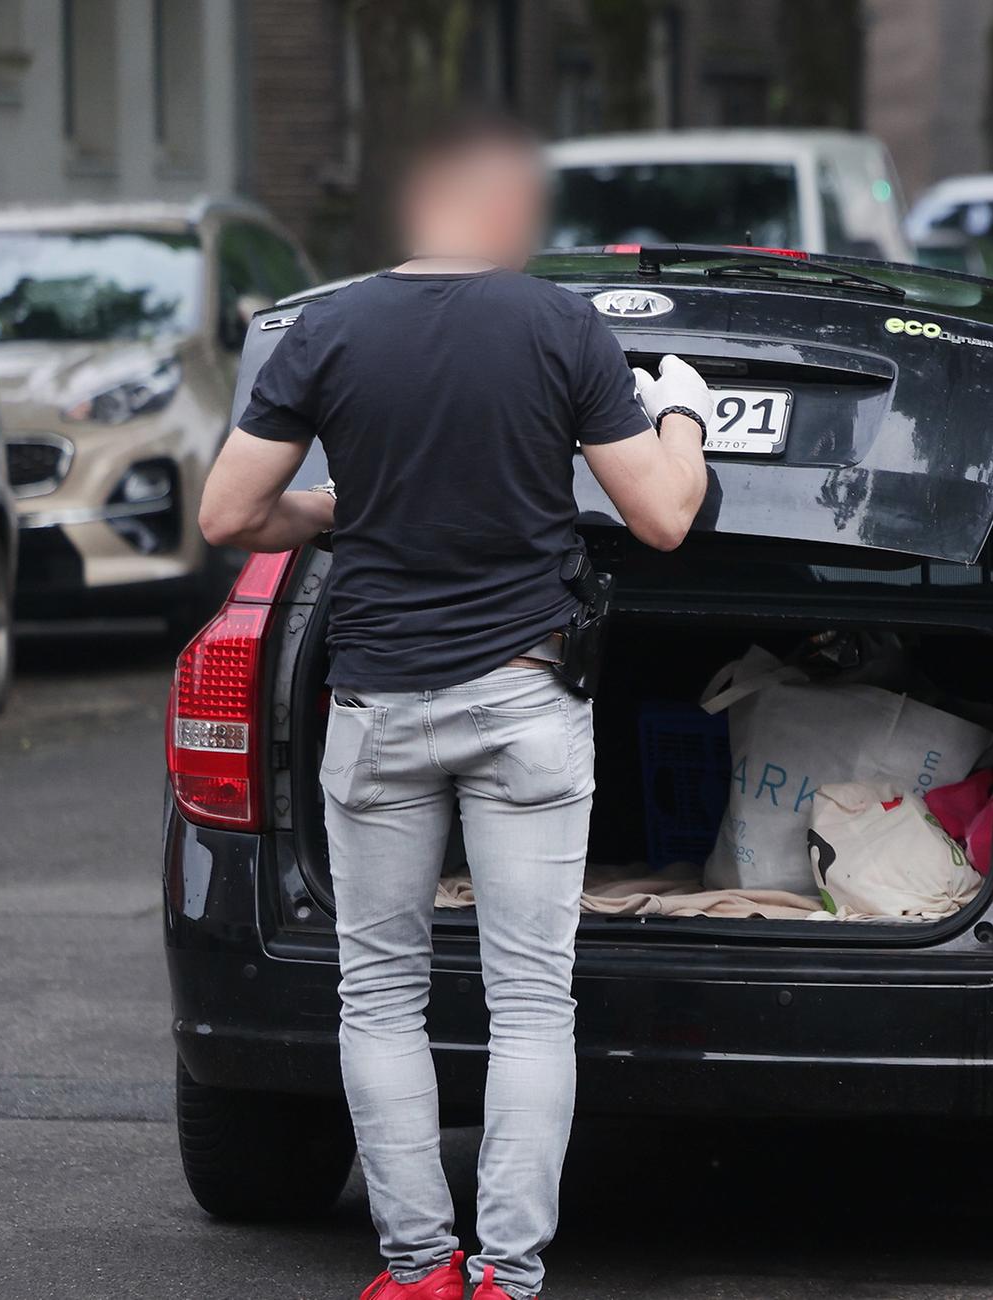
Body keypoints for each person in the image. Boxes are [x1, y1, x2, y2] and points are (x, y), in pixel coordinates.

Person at [196, 113, 715, 1300]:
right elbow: (663, 519)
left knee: (378, 993)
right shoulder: (558, 326)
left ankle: (417, 1268)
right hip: (527, 702)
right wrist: (681, 413)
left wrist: (341, 505)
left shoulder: (326, 329)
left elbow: (229, 517)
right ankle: (507, 1278)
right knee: (531, 998)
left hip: (378, 708)